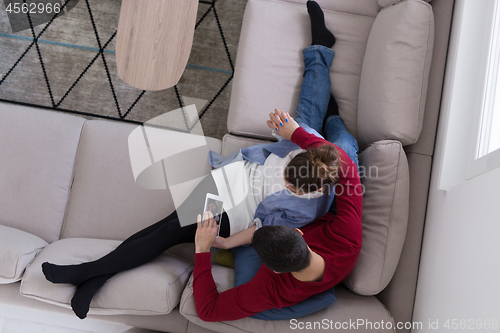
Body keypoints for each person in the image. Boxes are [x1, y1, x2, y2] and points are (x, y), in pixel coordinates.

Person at [41, 0, 361, 321]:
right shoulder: (315, 162)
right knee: (163, 228)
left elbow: (263, 229)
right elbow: (339, 162)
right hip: (229, 180)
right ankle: (93, 278)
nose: (285, 178)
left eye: (290, 183)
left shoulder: (306, 214)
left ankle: (86, 274)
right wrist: (295, 133)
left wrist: (211, 246)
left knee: (166, 233)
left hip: (235, 211)